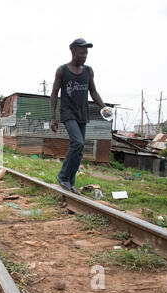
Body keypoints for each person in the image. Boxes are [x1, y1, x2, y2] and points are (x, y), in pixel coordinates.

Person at [50, 38, 107, 194]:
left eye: (86, 53)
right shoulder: (62, 70)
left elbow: (93, 92)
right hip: (68, 112)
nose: (85, 56)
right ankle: (63, 176)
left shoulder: (88, 71)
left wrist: (104, 107)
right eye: (82, 53)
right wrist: (52, 118)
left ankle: (70, 182)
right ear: (73, 52)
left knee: (79, 149)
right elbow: (54, 93)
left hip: (82, 113)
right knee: (78, 143)